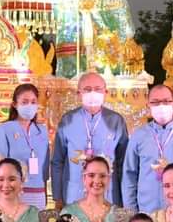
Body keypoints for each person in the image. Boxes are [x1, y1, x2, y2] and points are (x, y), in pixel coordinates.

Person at [50, 72, 129, 206]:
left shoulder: (116, 121)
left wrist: (125, 198)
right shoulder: (68, 120)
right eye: (87, 89)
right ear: (78, 93)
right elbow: (58, 161)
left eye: (97, 89)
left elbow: (124, 162)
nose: (93, 93)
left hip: (108, 194)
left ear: (106, 92)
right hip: (74, 194)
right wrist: (57, 196)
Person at [123, 84, 173, 212]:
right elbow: (129, 175)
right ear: (148, 106)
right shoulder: (138, 136)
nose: (161, 106)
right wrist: (131, 212)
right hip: (148, 212)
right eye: (155, 102)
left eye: (166, 102)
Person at [0, 83, 51, 209]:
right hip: (13, 192)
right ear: (15, 104)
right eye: (25, 102)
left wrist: (45, 192)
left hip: (38, 192)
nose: (29, 105)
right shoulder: (4, 129)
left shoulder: (42, 130)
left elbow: (45, 166)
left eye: (33, 102)